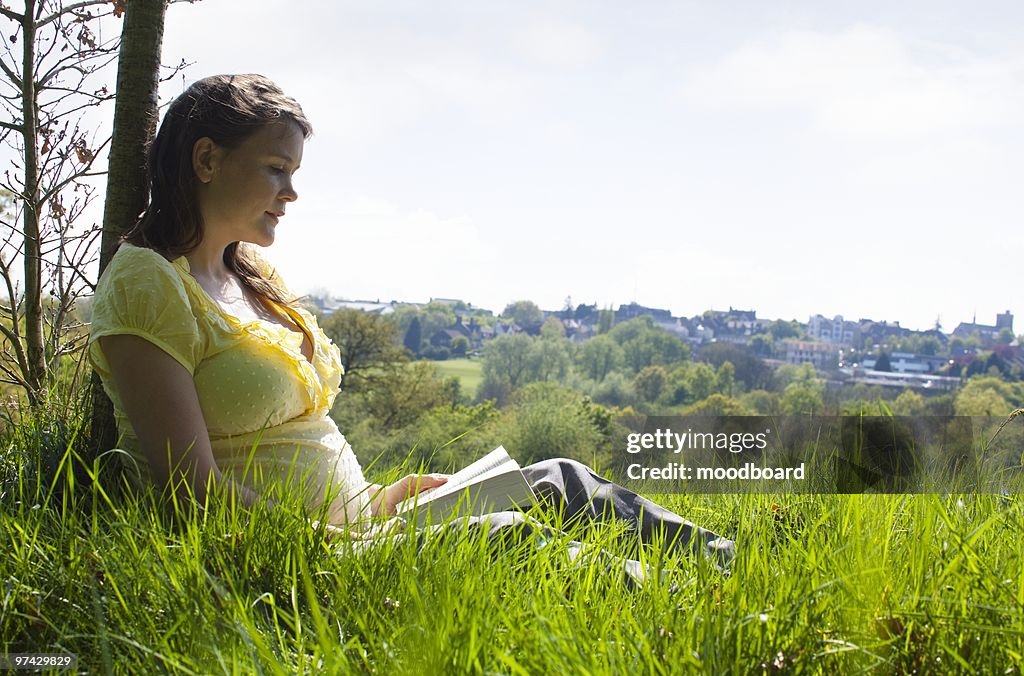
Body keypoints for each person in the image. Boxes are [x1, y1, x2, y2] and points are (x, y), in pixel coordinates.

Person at [88, 74, 734, 584]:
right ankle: (688, 606)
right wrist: (338, 537)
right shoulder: (147, 284)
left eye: (295, 174)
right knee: (509, 531)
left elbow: (306, 439)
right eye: (276, 169)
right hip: (294, 555)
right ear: (206, 159)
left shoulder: (251, 275)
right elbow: (187, 487)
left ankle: (727, 563)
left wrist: (380, 498)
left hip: (359, 523)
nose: (291, 193)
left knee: (559, 477)